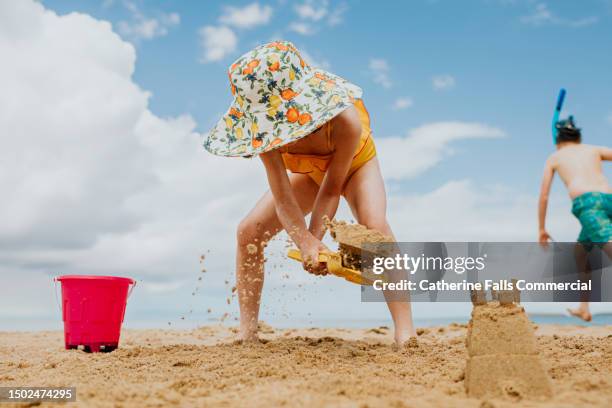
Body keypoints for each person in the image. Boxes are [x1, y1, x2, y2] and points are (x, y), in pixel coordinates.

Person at [203, 41, 415, 344]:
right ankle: (247, 331)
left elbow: (332, 189)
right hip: (310, 173)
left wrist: (313, 238)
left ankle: (405, 331)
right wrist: (306, 244)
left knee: (376, 228)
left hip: (356, 167)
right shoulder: (265, 135)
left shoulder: (345, 122)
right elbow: (283, 196)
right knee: (248, 231)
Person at [538, 115, 612, 321]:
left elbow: (544, 195)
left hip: (589, 206)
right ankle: (584, 308)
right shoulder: (592, 149)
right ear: (577, 137)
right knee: (580, 253)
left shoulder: (554, 157)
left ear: (557, 140)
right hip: (608, 200)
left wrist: (541, 228)